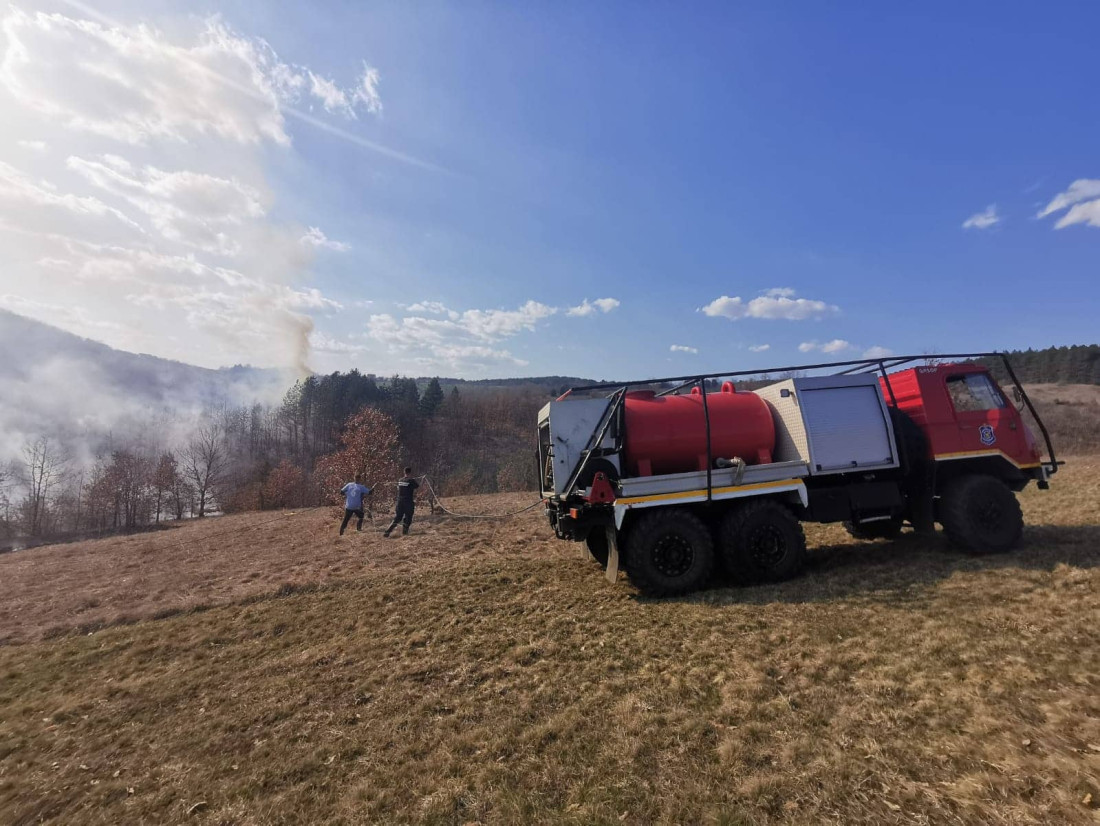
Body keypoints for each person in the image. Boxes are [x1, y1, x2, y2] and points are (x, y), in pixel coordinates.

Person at [384, 467, 419, 537]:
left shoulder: (400, 480)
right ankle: (405, 532)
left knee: (398, 517)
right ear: (410, 472)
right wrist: (413, 480)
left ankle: (388, 531)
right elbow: (417, 486)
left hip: (399, 501)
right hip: (408, 501)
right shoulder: (411, 480)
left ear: (404, 472)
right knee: (408, 517)